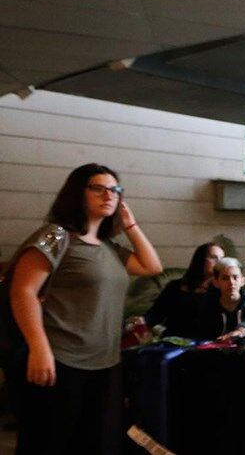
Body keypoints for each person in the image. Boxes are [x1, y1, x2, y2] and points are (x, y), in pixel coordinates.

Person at [8, 163, 162, 454]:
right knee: (50, 443)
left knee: (97, 444)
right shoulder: (56, 235)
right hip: (60, 359)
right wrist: (39, 348)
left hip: (106, 363)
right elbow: (23, 291)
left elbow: (151, 266)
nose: (109, 195)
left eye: (115, 190)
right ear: (78, 193)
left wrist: (130, 225)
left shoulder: (109, 247)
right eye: (98, 188)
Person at [139, 242, 224, 338]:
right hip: (173, 340)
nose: (219, 263)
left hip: (207, 342)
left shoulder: (223, 289)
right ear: (200, 260)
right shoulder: (175, 286)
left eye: (222, 259)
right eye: (213, 257)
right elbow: (155, 314)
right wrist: (142, 321)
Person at [210, 257, 245, 341]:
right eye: (225, 278)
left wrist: (240, 332)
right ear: (216, 282)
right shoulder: (208, 306)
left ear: (243, 281)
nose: (231, 282)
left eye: (235, 277)